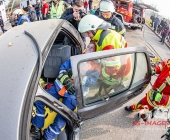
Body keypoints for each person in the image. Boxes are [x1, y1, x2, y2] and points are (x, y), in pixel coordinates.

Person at [30, 43, 96, 140]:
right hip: (59, 87)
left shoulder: (95, 67)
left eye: (92, 48)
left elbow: (90, 82)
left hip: (73, 96)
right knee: (39, 101)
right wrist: (66, 81)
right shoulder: (75, 59)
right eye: (88, 47)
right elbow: (62, 69)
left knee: (62, 118)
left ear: (96, 51)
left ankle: (47, 137)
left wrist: (76, 76)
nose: (89, 49)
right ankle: (36, 128)